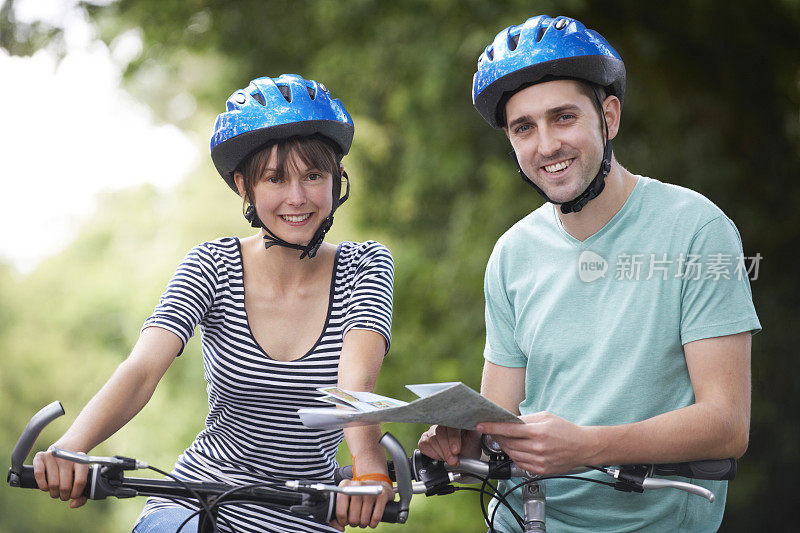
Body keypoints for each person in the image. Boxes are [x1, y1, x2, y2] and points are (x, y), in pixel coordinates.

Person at [419, 14, 760, 532]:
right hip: (523, 518)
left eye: (563, 117)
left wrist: (587, 446)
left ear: (609, 118)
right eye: (524, 128)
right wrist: (465, 436)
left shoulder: (697, 230)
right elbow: (501, 416)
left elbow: (727, 425)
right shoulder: (512, 252)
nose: (547, 145)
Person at [32, 74, 395, 532]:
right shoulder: (212, 264)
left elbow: (355, 388)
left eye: (314, 176)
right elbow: (143, 368)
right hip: (199, 498)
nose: (297, 197)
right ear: (244, 187)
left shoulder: (366, 266)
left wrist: (368, 467)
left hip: (308, 511)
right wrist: (73, 446)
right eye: (275, 178)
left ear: (336, 180)